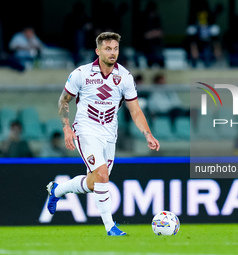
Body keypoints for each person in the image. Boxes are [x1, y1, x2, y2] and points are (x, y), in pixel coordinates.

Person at [46, 32, 160, 236]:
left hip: (109, 134)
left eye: (115, 48)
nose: (112, 52)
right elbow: (64, 101)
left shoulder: (124, 76)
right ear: (98, 51)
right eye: (108, 48)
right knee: (102, 175)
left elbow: (135, 110)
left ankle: (57, 190)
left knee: (94, 183)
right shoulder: (81, 73)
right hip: (86, 130)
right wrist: (66, 127)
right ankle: (111, 227)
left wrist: (147, 134)